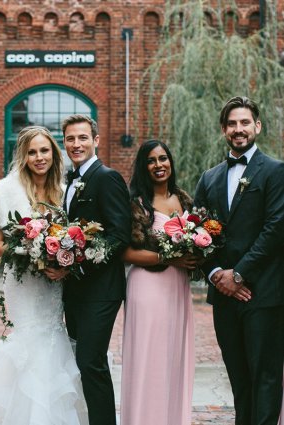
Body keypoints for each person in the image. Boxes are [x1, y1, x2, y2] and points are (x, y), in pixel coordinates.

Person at [0, 126, 88, 425]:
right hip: (22, 283)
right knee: (29, 338)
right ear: (23, 156)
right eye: (32, 152)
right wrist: (30, 251)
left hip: (54, 281)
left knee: (52, 336)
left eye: (44, 150)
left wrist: (60, 260)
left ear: (53, 153)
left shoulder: (65, 191)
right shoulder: (5, 191)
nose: (39, 157)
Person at [194, 96, 284, 425]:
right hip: (225, 295)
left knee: (266, 376)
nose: (238, 129)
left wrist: (241, 274)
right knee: (238, 376)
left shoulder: (276, 172)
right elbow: (196, 231)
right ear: (223, 130)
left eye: (245, 122)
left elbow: (276, 229)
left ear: (257, 126)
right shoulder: (210, 177)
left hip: (265, 292)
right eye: (232, 124)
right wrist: (217, 273)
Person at [50, 115, 131, 425]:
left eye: (82, 137)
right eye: (70, 139)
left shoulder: (107, 177)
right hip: (75, 291)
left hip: (102, 290)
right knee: (81, 361)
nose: (76, 144)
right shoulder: (70, 180)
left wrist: (78, 263)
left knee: (91, 361)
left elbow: (119, 234)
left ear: (96, 140)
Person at [120, 140, 197, 425]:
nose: (159, 165)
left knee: (174, 356)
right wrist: (169, 258)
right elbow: (126, 253)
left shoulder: (185, 199)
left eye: (163, 158)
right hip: (148, 287)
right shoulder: (136, 203)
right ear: (143, 166)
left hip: (178, 287)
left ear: (171, 162)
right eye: (151, 160)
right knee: (148, 357)